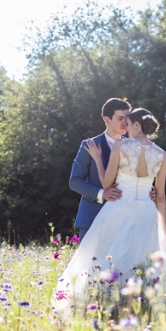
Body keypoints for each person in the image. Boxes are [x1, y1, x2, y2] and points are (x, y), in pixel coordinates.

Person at [52, 108, 166, 315]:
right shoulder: (161, 154)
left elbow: (107, 183)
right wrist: (164, 229)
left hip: (120, 207)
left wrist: (98, 159)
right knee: (140, 259)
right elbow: (160, 196)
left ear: (136, 125)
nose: (126, 127)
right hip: (147, 212)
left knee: (105, 256)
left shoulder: (121, 145)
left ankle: (102, 302)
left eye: (129, 123)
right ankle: (139, 306)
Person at [68, 98, 130, 241]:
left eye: (127, 118)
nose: (125, 122)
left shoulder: (133, 146)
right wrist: (102, 194)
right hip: (93, 216)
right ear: (107, 120)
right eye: (120, 118)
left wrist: (148, 191)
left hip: (124, 219)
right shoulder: (89, 145)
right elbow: (75, 181)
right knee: (89, 263)